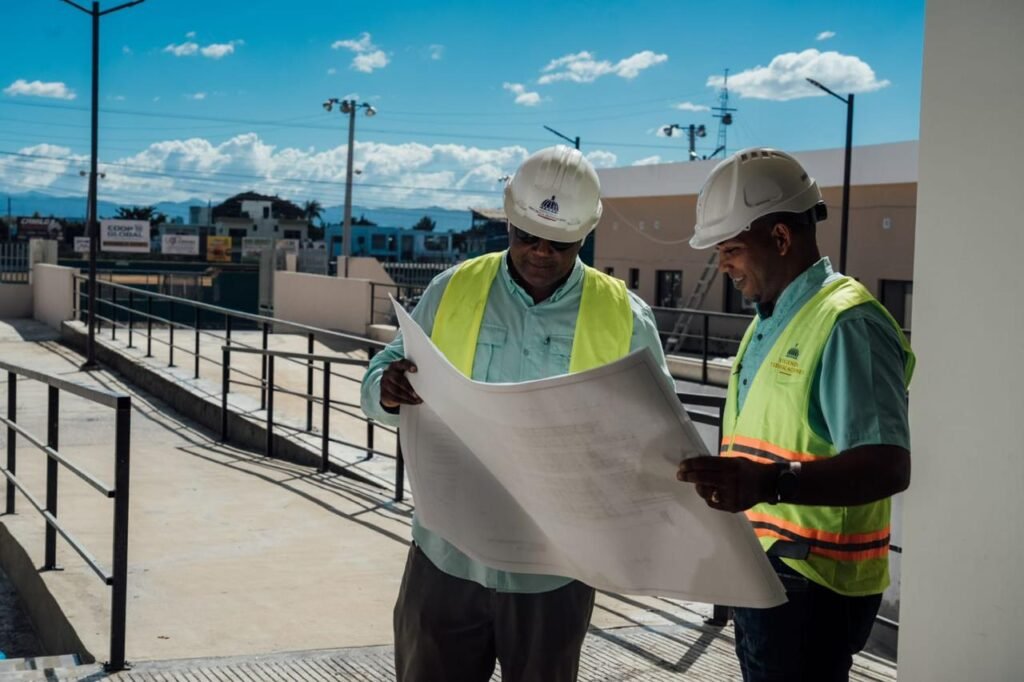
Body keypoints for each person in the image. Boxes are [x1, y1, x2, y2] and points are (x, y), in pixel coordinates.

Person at [360, 145, 675, 682]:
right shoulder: (453, 288)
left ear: (586, 234)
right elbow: (383, 371)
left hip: (555, 570)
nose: (540, 252)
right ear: (508, 220)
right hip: (446, 558)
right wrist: (386, 388)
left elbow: (661, 434)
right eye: (527, 235)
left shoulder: (623, 314)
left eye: (559, 242)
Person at [676, 147, 915, 682]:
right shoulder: (772, 319)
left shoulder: (848, 323)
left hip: (817, 586)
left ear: (780, 238)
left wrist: (770, 483)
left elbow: (888, 465)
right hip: (768, 570)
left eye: (732, 249)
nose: (724, 266)